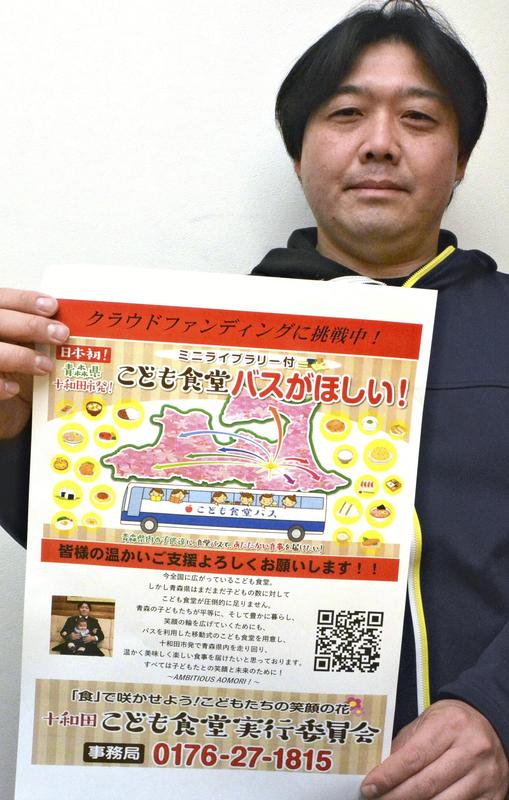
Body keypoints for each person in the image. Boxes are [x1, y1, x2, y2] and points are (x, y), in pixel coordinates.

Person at [1, 0, 509, 796]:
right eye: (345, 113)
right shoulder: (181, 348)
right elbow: (92, 544)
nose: (380, 142)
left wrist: (497, 709)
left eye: (418, 117)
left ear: (462, 157)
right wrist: (8, 428)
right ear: (299, 150)